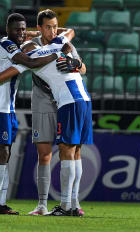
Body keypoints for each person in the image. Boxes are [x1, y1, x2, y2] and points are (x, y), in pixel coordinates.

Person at [0, 36, 92, 216]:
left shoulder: (31, 60)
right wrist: (74, 61)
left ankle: (65, 206)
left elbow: (1, 76)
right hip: (84, 97)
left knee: (66, 149)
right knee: (75, 150)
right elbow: (69, 39)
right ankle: (72, 204)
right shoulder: (58, 45)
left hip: (68, 101)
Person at [27, 9, 86, 216]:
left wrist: (76, 63)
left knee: (73, 150)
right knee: (44, 154)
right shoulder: (32, 46)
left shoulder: (64, 42)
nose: (52, 31)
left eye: (54, 26)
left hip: (66, 98)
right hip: (43, 99)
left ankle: (73, 202)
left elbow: (83, 68)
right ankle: (42, 205)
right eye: (47, 27)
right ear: (39, 28)